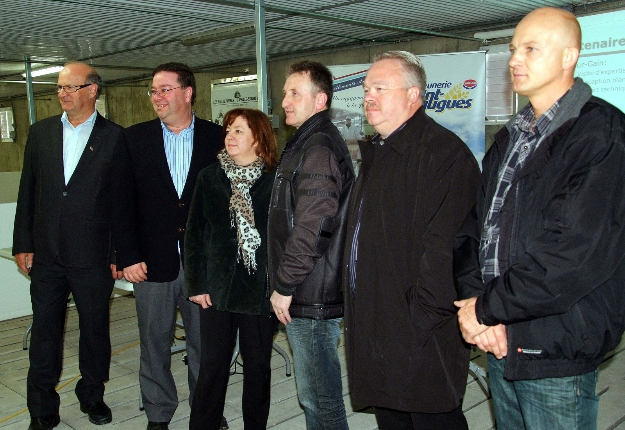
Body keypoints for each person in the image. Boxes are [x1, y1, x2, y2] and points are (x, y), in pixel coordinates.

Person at [454, 7, 625, 430]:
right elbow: (476, 229)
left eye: (531, 48)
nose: (515, 59)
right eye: (513, 49)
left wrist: (487, 308)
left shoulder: (601, 133)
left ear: (569, 57)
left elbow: (572, 253)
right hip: (497, 337)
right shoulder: (511, 136)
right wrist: (478, 307)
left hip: (554, 343)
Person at [343, 50, 480, 430]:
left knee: (432, 416)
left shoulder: (443, 154)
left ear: (412, 95)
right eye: (367, 88)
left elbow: (447, 250)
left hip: (418, 333)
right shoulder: (381, 153)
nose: (368, 96)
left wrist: (417, 319)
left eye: (380, 88)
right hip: (379, 327)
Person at [13, 62, 125, 430]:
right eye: (59, 88)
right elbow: (27, 191)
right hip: (47, 255)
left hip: (94, 257)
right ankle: (42, 410)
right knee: (46, 333)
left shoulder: (115, 138)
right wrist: (23, 243)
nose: (62, 93)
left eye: (70, 87)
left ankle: (92, 394)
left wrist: (116, 254)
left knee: (95, 331)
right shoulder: (41, 132)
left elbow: (121, 202)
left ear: (93, 90)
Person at [112, 63, 223, 430]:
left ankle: (206, 411)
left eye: (165, 89)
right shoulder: (134, 139)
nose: (157, 97)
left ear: (188, 92)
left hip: (203, 267)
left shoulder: (218, 137)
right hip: (150, 265)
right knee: (154, 344)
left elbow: (229, 204)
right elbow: (120, 202)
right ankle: (159, 414)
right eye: (153, 91)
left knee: (204, 347)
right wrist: (126, 256)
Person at [268, 61, 354, 430]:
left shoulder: (317, 147)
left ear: (320, 100)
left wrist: (285, 285)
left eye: (294, 93)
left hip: (311, 291)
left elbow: (313, 226)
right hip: (308, 287)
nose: (284, 101)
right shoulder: (306, 141)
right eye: (285, 92)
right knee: (315, 397)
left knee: (320, 399)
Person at [185, 108, 279, 430]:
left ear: (259, 138)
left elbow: (282, 241)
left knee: (257, 369)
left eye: (239, 130)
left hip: (258, 294)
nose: (230, 136)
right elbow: (195, 235)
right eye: (228, 130)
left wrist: (280, 288)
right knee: (212, 368)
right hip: (217, 292)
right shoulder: (209, 178)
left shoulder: (275, 181)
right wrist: (196, 285)